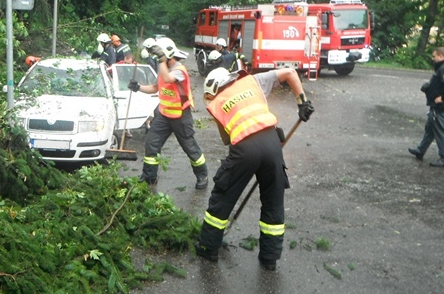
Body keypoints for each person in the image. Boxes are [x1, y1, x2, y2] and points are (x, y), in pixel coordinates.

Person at [194, 67, 315, 270]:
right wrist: (302, 103)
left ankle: (208, 248)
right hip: (271, 143)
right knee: (273, 200)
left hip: (244, 150)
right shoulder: (253, 81)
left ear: (213, 89)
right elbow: (290, 73)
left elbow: (226, 140)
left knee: (223, 196)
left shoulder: (217, 102)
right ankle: (269, 258)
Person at [128, 37, 208, 189]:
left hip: (181, 117)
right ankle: (149, 177)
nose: (158, 61)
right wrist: (138, 87)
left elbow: (167, 78)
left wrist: (161, 60)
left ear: (167, 56)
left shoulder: (179, 70)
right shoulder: (163, 68)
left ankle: (202, 175)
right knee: (152, 144)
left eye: (160, 57)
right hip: (164, 116)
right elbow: (155, 87)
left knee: (190, 147)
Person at [408, 47, 444, 167]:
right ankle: (420, 150)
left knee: (440, 131)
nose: (433, 58)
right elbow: (439, 85)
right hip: (436, 105)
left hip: (441, 106)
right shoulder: (441, 68)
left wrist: (443, 98)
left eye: (434, 56)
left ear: (441, 56)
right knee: (430, 128)